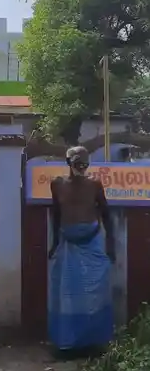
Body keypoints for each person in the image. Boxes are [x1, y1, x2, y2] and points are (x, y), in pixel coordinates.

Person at [48, 146, 115, 350]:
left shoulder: (94, 184)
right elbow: (56, 214)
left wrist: (110, 244)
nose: (81, 168)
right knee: (67, 294)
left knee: (95, 292)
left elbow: (106, 213)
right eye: (78, 163)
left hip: (93, 243)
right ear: (69, 163)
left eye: (85, 164)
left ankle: (95, 342)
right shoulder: (57, 185)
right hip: (68, 244)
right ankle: (67, 343)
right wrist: (55, 243)